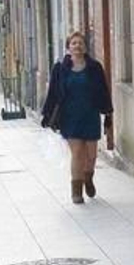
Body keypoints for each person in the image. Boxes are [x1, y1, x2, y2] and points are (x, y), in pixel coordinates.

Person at [39, 31, 113, 204]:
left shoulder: (95, 67)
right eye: (74, 43)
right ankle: (76, 191)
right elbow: (53, 93)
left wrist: (108, 113)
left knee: (91, 155)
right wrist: (47, 114)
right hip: (70, 117)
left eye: (80, 43)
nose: (77, 46)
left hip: (90, 115)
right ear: (68, 47)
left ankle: (88, 178)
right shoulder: (60, 69)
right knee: (77, 154)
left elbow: (103, 91)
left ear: (85, 47)